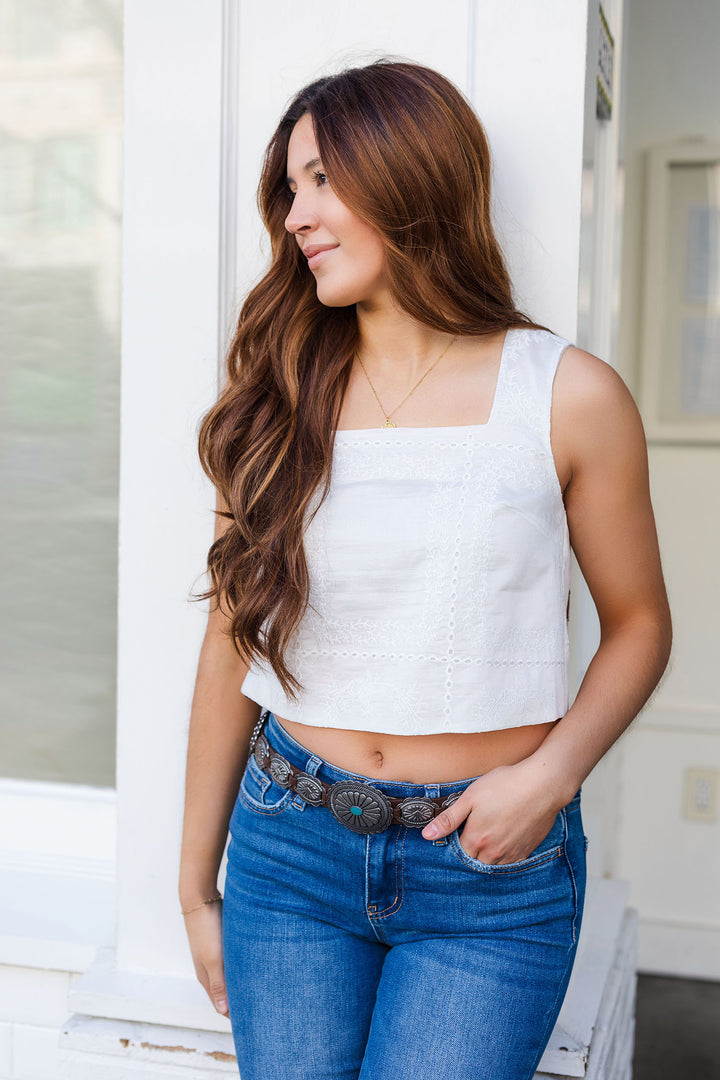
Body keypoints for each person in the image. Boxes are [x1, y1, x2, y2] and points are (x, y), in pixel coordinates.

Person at [178, 58, 672, 1080]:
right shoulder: (273, 394)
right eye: (290, 187)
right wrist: (193, 889)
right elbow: (231, 636)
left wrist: (551, 774)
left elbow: (638, 623)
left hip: (490, 873)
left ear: (412, 175)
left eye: (324, 181)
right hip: (290, 848)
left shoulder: (570, 396)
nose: (296, 215)